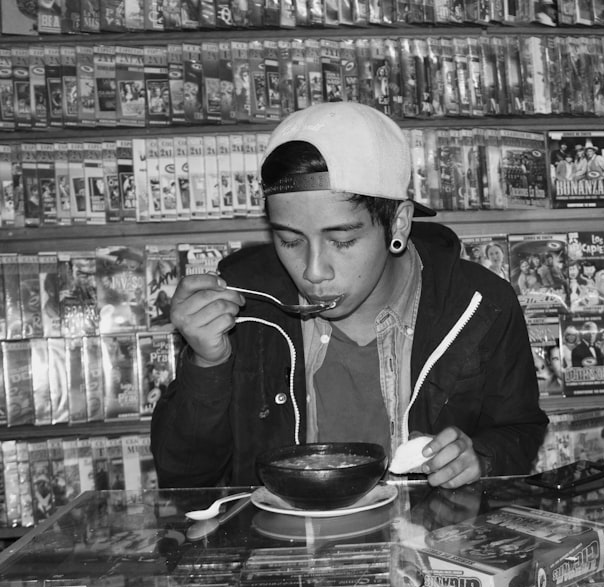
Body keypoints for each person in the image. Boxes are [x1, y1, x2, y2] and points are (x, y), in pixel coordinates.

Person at [151, 102, 547, 490]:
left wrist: (481, 456)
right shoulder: (245, 306)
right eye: (290, 241)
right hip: (283, 549)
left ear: (400, 222)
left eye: (342, 240)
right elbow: (183, 479)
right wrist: (207, 366)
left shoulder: (480, 305)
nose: (313, 271)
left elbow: (521, 430)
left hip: (423, 548)